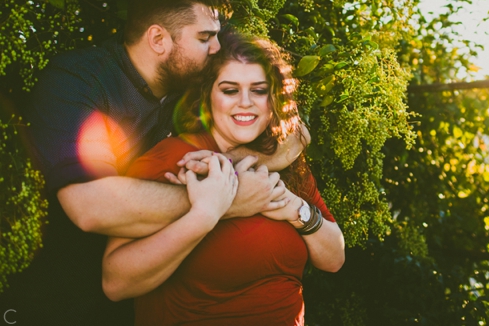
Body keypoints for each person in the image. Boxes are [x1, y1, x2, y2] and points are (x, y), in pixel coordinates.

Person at [1, 0, 302, 325]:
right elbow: (90, 206)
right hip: (48, 298)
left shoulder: (188, 86)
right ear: (158, 39)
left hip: (136, 303)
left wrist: (235, 166)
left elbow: (294, 131)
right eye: (205, 37)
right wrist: (226, 199)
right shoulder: (78, 81)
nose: (217, 48)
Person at [101, 29, 345, 325]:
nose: (245, 102)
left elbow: (334, 259)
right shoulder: (177, 159)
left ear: (274, 100)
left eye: (258, 90)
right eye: (230, 90)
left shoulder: (285, 161)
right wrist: (206, 214)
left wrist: (295, 209)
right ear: (208, 96)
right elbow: (116, 283)